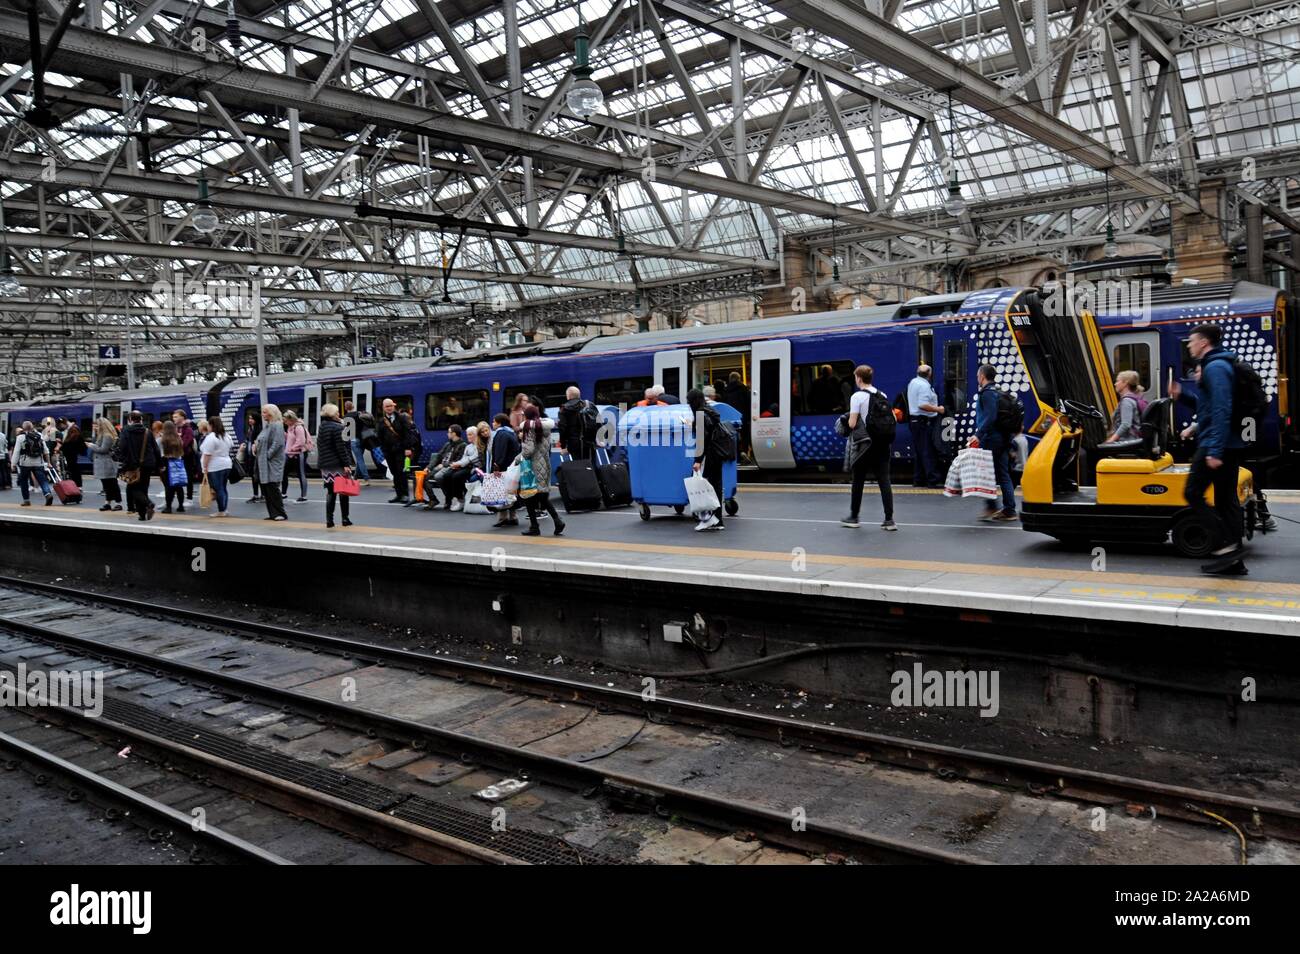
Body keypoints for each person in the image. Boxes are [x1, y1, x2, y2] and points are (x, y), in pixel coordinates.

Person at [1171, 366, 1278, 534]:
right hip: (1241, 440)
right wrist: (1183, 396)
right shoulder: (1220, 388)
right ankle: (1254, 519)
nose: (1196, 375)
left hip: (1233, 442)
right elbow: (1206, 409)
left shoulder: (1220, 386)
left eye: (1199, 372)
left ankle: (1230, 534)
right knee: (1234, 487)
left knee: (1216, 491)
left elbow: (1218, 415)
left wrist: (1212, 448)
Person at [1183, 324, 1247, 574]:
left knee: (1192, 493)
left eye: (1191, 341)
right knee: (1225, 501)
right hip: (1223, 443)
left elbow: (1222, 410)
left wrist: (1215, 451)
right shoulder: (1217, 366)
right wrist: (1182, 397)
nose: (1188, 345)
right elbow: (1209, 408)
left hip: (1217, 444)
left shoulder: (1216, 367)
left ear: (1203, 343)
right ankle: (1234, 563)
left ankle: (1227, 546)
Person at [840, 364, 897, 531]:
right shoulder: (882, 395)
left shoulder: (857, 397)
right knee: (884, 481)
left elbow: (851, 423)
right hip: (883, 444)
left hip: (865, 445)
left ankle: (854, 516)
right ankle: (889, 520)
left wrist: (846, 420)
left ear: (858, 378)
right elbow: (893, 417)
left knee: (858, 481)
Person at [971, 364, 1018, 522]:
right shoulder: (996, 392)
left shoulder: (987, 394)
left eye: (978, 375)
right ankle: (1008, 510)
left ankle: (993, 507)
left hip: (992, 439)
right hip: (1001, 438)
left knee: (986, 473)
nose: (978, 378)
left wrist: (978, 435)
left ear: (982, 376)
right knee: (1001, 473)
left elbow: (990, 416)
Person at [516, 406, 566, 537]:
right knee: (542, 496)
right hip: (544, 463)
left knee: (528, 495)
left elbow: (528, 451)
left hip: (532, 466)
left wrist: (516, 459)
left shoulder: (529, 428)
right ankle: (557, 521)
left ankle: (534, 527)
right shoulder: (544, 427)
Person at [687, 388, 726, 531]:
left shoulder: (700, 414)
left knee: (704, 490)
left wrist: (698, 460)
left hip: (708, 456)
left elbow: (701, 439)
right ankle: (717, 520)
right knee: (715, 487)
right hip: (717, 455)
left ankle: (707, 519)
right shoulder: (710, 410)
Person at [315, 403, 354, 529]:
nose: (339, 414)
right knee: (343, 492)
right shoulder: (338, 428)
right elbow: (341, 448)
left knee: (331, 492)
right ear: (332, 414)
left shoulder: (322, 426)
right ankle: (345, 518)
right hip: (337, 465)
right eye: (337, 412)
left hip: (326, 465)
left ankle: (329, 520)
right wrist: (346, 464)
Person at [906, 364, 945, 488]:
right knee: (927, 451)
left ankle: (918, 479)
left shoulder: (913, 382)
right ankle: (932, 480)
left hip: (915, 421)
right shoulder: (924, 386)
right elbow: (922, 405)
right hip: (922, 421)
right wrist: (938, 409)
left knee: (919, 451)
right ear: (929, 374)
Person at [114, 410, 157, 521]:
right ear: (141, 420)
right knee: (143, 488)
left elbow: (122, 448)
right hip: (147, 465)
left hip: (132, 465)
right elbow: (155, 449)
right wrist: (160, 464)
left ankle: (148, 504)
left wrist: (122, 461)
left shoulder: (126, 431)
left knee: (133, 488)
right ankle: (142, 515)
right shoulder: (148, 432)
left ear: (129, 420)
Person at [425, 425, 477, 511]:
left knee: (441, 476)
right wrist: (429, 467)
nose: (447, 434)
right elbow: (438, 456)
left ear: (454, 433)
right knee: (424, 477)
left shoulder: (462, 445)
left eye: (449, 432)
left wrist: (446, 465)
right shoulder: (448, 444)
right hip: (445, 466)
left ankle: (449, 498)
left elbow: (461, 459)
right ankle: (433, 499)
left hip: (451, 467)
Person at [378, 398, 417, 504]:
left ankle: (405, 495)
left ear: (394, 406)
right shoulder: (382, 421)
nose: (389, 408)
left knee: (401, 472)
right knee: (394, 472)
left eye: (391, 406)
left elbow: (408, 433)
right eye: (387, 406)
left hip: (401, 450)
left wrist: (408, 448)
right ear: (384, 408)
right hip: (389, 451)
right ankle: (398, 494)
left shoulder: (402, 418)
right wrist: (384, 449)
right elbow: (380, 436)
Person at [254, 404, 288, 521]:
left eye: (264, 412)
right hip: (265, 462)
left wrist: (267, 455)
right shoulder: (268, 426)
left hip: (272, 463)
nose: (262, 414)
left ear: (271, 413)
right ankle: (273, 513)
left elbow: (277, 443)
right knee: (267, 488)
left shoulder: (277, 425)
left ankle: (280, 513)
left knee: (273, 487)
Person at [488, 412, 521, 528]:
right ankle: (513, 516)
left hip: (503, 468)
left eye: (494, 421)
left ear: (499, 423)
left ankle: (503, 517)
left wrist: (497, 466)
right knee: (511, 492)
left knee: (502, 492)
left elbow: (499, 452)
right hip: (512, 467)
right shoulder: (511, 433)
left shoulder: (500, 434)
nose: (492, 423)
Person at [10, 420, 53, 507]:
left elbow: (17, 451)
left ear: (23, 428)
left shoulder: (20, 437)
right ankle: (48, 494)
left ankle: (26, 500)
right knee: (42, 480)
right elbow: (46, 450)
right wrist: (48, 462)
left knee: (24, 481)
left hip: (25, 463)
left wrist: (13, 464)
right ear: (32, 427)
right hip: (38, 462)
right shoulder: (39, 435)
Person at [200, 416, 234, 518]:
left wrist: (204, 467)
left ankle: (221, 511)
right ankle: (224, 509)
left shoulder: (211, 437)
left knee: (218, 488)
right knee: (223, 488)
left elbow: (207, 454)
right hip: (227, 464)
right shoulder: (226, 436)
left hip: (215, 466)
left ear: (211, 425)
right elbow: (231, 446)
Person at [1100, 370, 1147, 444]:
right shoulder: (1135, 398)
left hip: (1128, 441)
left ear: (1125, 383)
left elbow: (1126, 424)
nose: (1115, 384)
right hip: (1134, 439)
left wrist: (1111, 440)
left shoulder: (1127, 401)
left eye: (1117, 381)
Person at [89, 417, 122, 511]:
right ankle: (108, 502)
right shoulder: (101, 435)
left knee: (112, 483)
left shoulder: (107, 436)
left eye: (98, 426)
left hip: (107, 463)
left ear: (103, 426)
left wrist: (91, 446)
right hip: (103, 463)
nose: (96, 428)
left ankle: (118, 503)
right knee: (106, 484)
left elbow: (103, 449)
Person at [557, 386, 597, 460]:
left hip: (574, 445)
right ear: (579, 395)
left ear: (568, 396)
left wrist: (563, 446)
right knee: (590, 468)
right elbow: (599, 423)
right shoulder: (590, 405)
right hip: (590, 444)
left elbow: (562, 429)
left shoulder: (564, 409)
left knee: (578, 469)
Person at [720, 372, 751, 458]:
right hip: (742, 416)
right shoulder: (744, 389)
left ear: (730, 379)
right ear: (739, 379)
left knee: (732, 436)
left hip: (730, 417)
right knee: (744, 434)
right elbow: (748, 403)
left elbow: (723, 404)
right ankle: (744, 451)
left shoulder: (725, 390)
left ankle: (736, 454)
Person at [282, 410, 311, 503]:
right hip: (290, 454)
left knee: (301, 474)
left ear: (291, 419)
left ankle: (304, 496)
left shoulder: (298, 427)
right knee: (283, 473)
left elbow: (301, 441)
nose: (284, 422)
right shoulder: (290, 427)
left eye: (286, 420)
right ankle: (283, 493)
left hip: (299, 454)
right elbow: (290, 439)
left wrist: (292, 449)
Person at [160, 420, 186, 514]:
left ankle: (168, 507)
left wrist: (160, 466)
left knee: (168, 486)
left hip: (166, 462)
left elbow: (160, 453)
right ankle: (181, 506)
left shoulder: (162, 439)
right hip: (178, 462)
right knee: (178, 485)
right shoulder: (178, 438)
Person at [342, 400, 371, 484]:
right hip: (362, 439)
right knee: (359, 459)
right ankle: (355, 477)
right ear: (353, 406)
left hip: (354, 440)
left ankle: (366, 478)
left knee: (359, 459)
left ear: (345, 408)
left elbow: (346, 431)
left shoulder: (345, 417)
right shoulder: (359, 414)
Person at [172, 410, 197, 501]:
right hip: (176, 456)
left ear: (182, 417)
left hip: (187, 457)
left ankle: (189, 497)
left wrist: (177, 440)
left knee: (188, 477)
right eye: (173, 417)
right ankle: (178, 498)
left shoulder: (188, 429)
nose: (174, 418)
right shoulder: (175, 428)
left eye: (176, 416)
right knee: (177, 477)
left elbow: (185, 444)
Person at [242, 410, 263, 503]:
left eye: (252, 418)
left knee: (258, 476)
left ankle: (262, 495)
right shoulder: (250, 429)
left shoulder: (259, 429)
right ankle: (255, 494)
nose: (250, 420)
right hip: (251, 456)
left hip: (257, 456)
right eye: (249, 418)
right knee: (253, 476)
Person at [60, 421, 85, 489]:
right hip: (74, 456)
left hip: (71, 456)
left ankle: (75, 485)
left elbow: (65, 446)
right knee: (75, 471)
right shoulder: (77, 436)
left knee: (73, 471)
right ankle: (78, 485)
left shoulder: (70, 437)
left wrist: (60, 448)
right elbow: (82, 446)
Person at [0, 426, 9, 491]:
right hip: (2, 455)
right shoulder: (3, 435)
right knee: (2, 471)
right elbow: (6, 445)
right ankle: (4, 485)